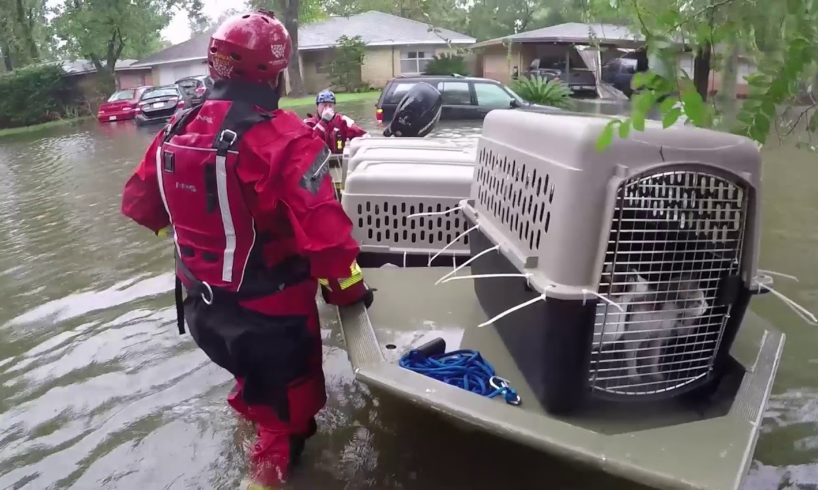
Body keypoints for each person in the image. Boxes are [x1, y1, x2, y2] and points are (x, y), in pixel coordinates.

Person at [119, 10, 374, 490]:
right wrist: (350, 293)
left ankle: (256, 423)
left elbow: (140, 207)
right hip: (271, 320)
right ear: (276, 73)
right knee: (287, 423)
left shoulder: (176, 127)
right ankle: (268, 470)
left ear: (215, 64)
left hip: (202, 312)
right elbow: (330, 243)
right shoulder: (286, 139)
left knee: (254, 387)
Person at [303, 89, 368, 154]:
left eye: (330, 105)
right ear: (317, 106)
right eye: (324, 105)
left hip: (338, 160)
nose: (327, 109)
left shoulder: (343, 120)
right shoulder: (308, 123)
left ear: (334, 107)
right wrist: (324, 121)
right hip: (318, 162)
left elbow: (364, 136)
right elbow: (307, 143)